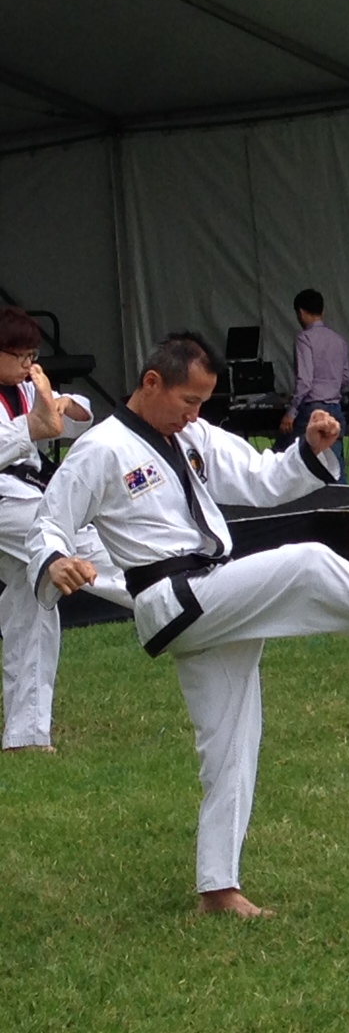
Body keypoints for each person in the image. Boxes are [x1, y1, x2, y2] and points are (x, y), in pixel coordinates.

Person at [28, 332, 349, 917]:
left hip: (212, 592)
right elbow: (50, 519)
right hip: (175, 598)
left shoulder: (190, 434)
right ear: (151, 383)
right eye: (188, 401)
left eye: (202, 405)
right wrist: (56, 560)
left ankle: (218, 889)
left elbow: (260, 478)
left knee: (232, 741)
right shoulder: (102, 448)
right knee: (308, 562)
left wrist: (308, 449)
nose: (194, 415)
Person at [1, 308, 131, 752]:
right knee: (80, 547)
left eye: (31, 354)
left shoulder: (24, 387)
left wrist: (61, 404)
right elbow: (34, 432)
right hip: (6, 503)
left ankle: (25, 735)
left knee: (34, 598)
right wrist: (33, 426)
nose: (25, 362)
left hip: (22, 499)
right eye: (16, 354)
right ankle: (176, 594)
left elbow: (78, 416)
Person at [278, 288, 349, 483]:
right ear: (322, 311)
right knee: (334, 463)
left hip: (311, 409)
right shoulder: (338, 340)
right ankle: (343, 503)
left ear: (300, 312)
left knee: (289, 455)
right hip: (335, 407)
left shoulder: (304, 338)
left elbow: (305, 380)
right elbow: (345, 378)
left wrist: (291, 412)